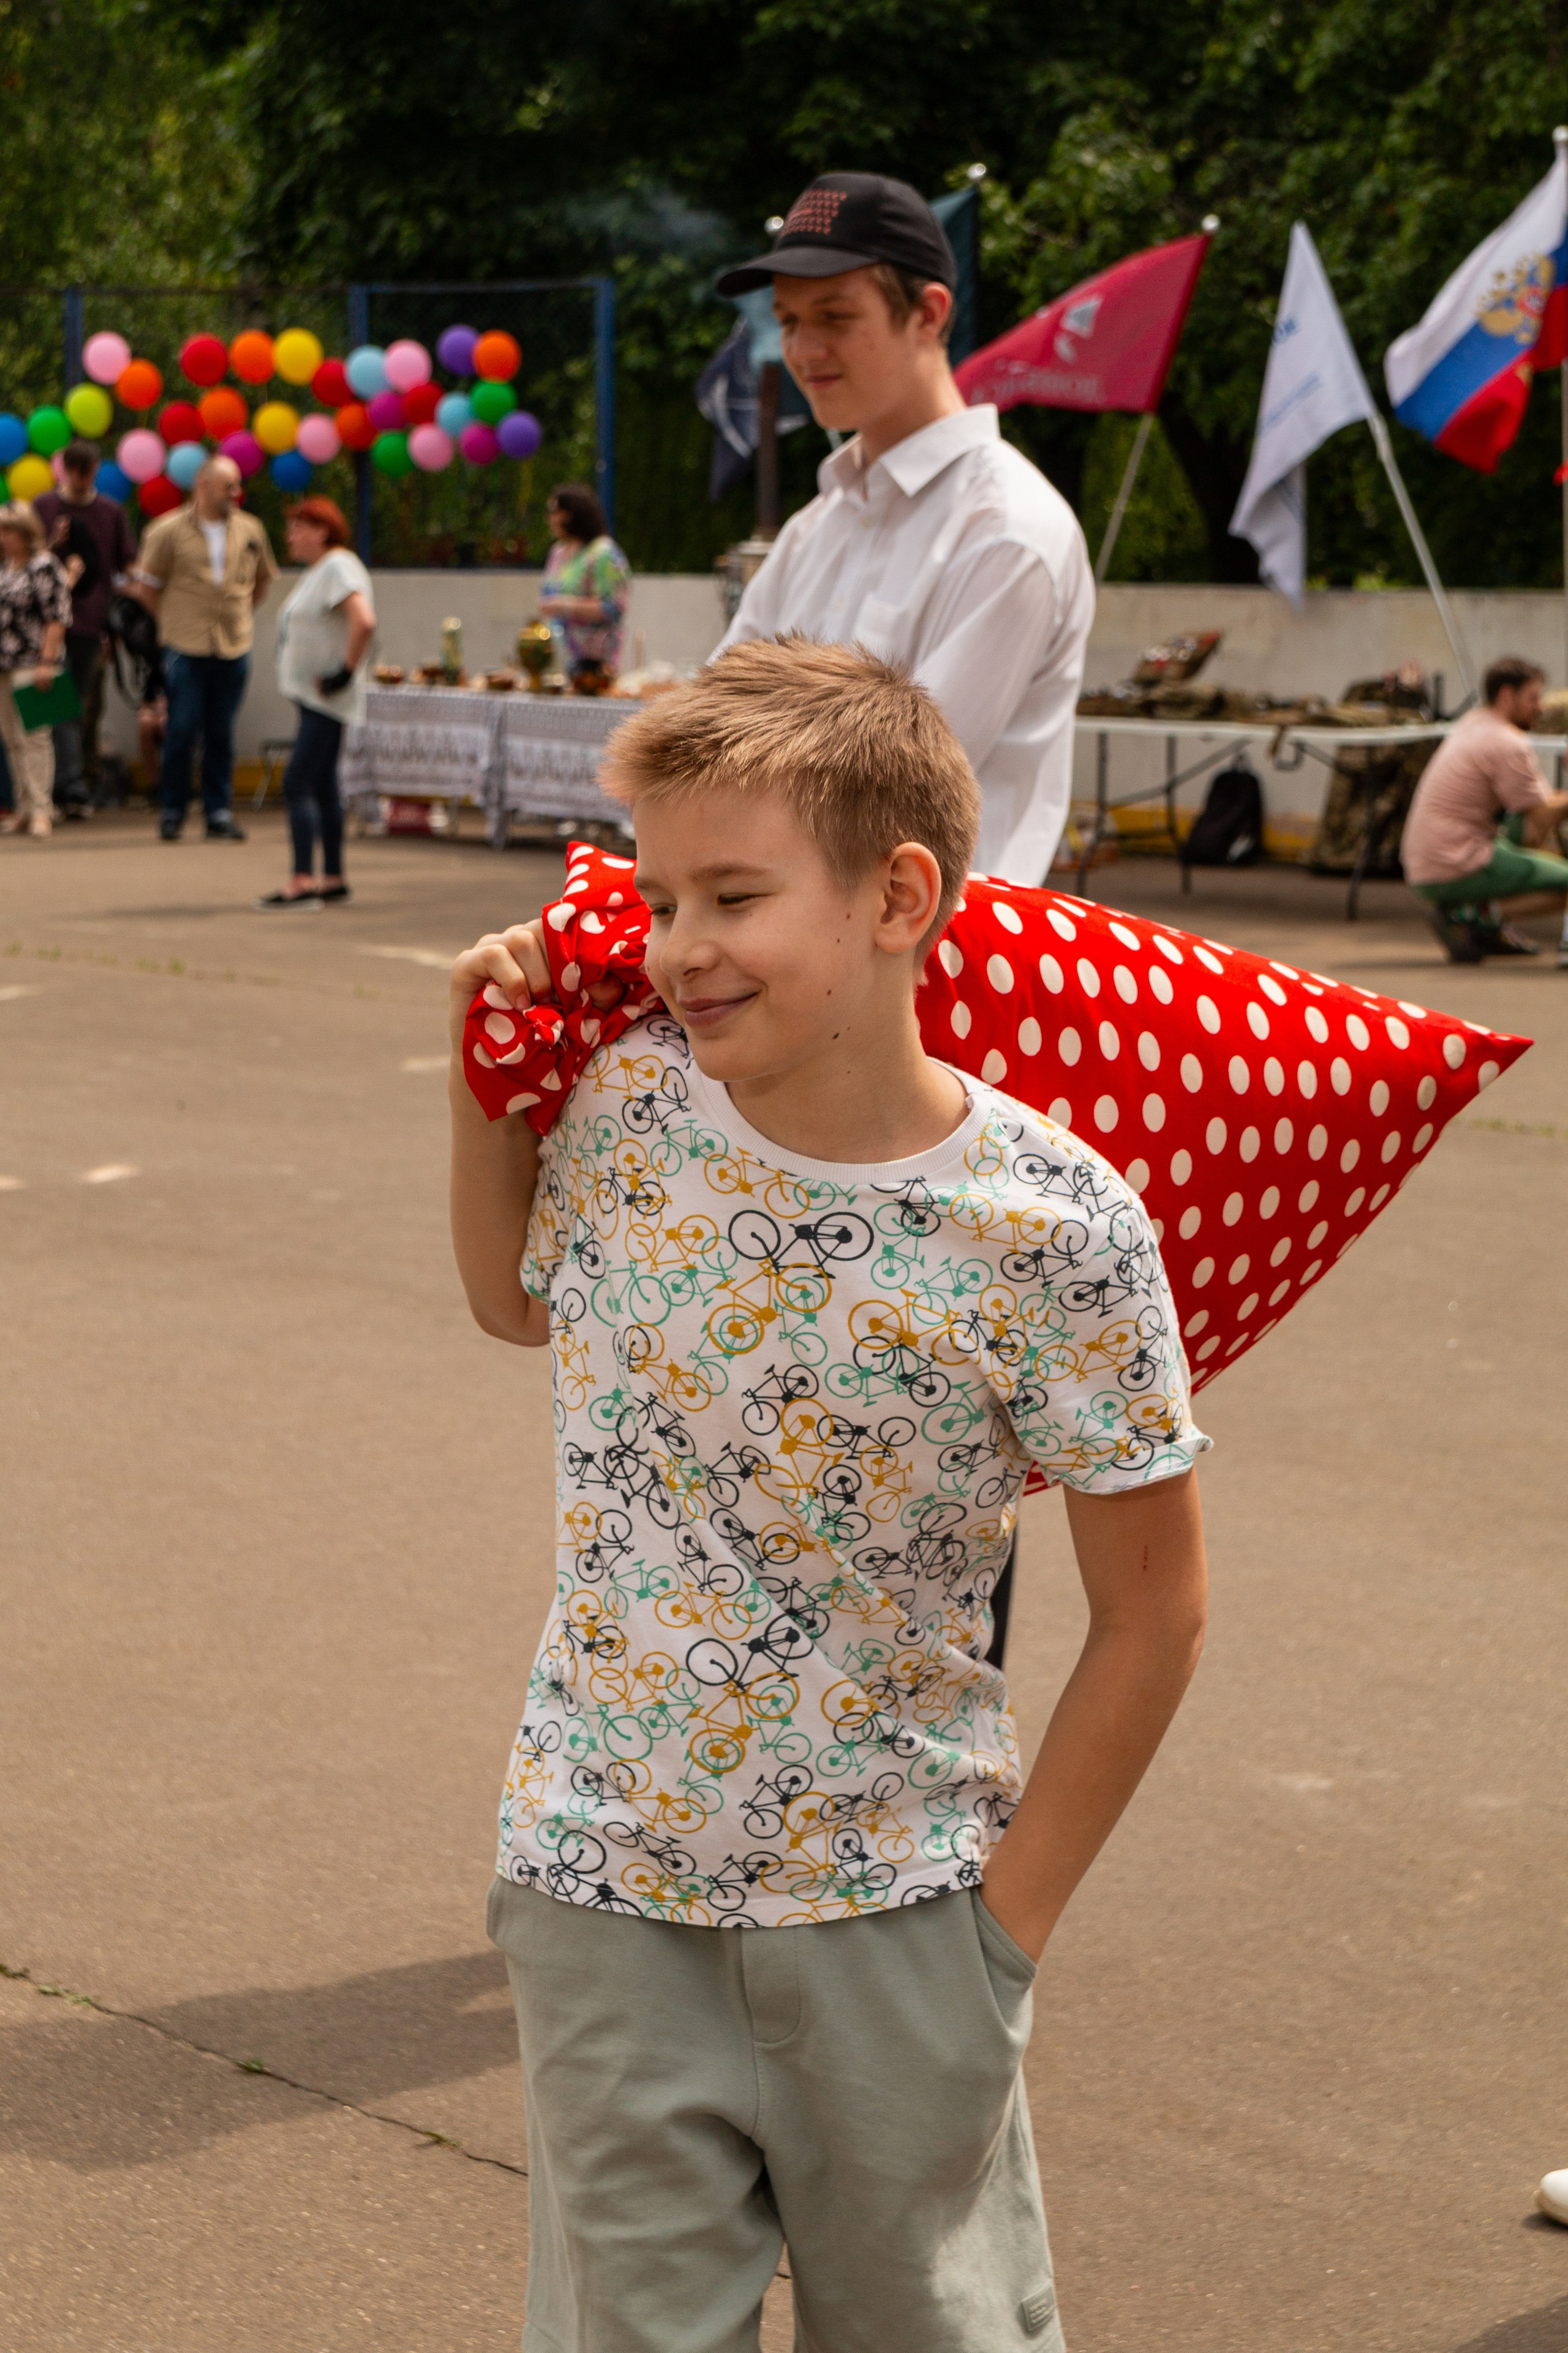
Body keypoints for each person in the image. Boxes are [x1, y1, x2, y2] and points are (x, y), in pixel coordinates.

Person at [447, 638, 1209, 2352]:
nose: (679, 949)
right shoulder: (632, 1107)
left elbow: (1156, 1606)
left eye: (733, 894)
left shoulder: (1057, 1225)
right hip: (600, 1882)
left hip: (900, 1910)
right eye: (658, 898)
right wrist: (475, 1064)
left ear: (898, 895)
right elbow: (509, 1297)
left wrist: (1001, 1940)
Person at [713, 171, 1095, 886]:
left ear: (928, 313)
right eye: (789, 321)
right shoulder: (815, 527)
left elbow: (888, 795)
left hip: (941, 970)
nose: (804, 349)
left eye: (834, 316)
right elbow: (702, 737)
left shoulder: (1007, 530)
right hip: (798, 956)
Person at [130, 453, 277, 842]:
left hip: (233, 645)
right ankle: (173, 811)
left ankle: (219, 812)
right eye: (229, 486)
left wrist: (240, 614)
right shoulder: (167, 530)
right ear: (203, 487)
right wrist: (174, 623)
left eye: (237, 485)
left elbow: (262, 582)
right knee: (180, 730)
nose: (236, 492)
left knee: (221, 733)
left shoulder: (250, 529)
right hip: (185, 646)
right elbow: (147, 590)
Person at [1401, 655, 1568, 966]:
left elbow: (1536, 807)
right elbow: (1543, 813)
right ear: (1507, 695)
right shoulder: (1506, 741)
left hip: (1424, 858)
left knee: (1524, 825)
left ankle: (1482, 921)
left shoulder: (1475, 722)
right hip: (1451, 861)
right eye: (1533, 698)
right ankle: (1474, 917)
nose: (1541, 706)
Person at [259, 496, 375, 907]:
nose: (290, 536)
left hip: (328, 695)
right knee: (323, 783)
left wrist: (344, 672)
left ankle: (302, 879)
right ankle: (332, 878)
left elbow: (363, 620)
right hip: (314, 695)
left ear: (323, 531)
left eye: (299, 528)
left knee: (298, 780)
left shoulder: (337, 565)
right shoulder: (319, 571)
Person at [34, 439, 136, 818]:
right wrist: (51, 543)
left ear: (94, 471)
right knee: (47, 704)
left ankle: (74, 785)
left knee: (77, 706)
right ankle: (58, 786)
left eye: (86, 471)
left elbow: (126, 565)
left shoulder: (110, 512)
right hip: (43, 626)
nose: (78, 479)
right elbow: (25, 558)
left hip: (89, 624)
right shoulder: (44, 507)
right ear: (64, 471)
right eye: (73, 470)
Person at [0, 502, 71, 840]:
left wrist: (47, 661)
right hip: (3, 664)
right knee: (11, 740)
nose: (2, 538)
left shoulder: (45, 566)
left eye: (7, 531)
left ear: (26, 534)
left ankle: (43, 810)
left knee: (35, 738)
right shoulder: (5, 566)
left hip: (34, 662)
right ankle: (24, 808)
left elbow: (56, 617)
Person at [538, 482, 631, 684]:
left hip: (595, 664)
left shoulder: (602, 552)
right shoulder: (557, 553)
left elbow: (613, 607)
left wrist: (564, 605)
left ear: (574, 513)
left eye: (555, 511)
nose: (550, 519)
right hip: (559, 659)